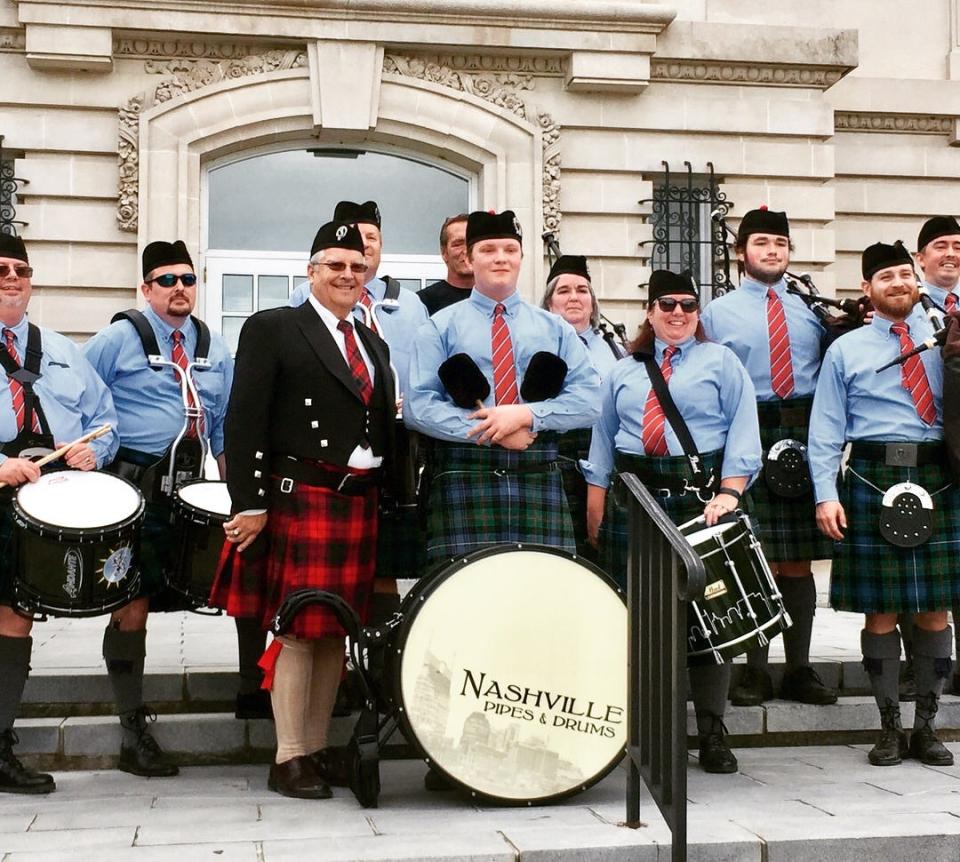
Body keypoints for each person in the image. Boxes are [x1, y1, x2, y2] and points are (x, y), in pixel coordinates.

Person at [216, 220, 396, 799]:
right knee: (297, 629)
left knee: (332, 634)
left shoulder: (371, 341)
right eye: (334, 265)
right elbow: (242, 420)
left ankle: (315, 750)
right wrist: (250, 502)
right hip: (301, 496)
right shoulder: (274, 328)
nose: (347, 275)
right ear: (311, 270)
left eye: (356, 267)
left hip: (355, 500)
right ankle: (287, 755)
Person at [583, 269, 761, 773]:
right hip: (632, 500)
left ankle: (711, 733)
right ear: (649, 312)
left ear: (698, 312)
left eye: (687, 304)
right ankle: (648, 733)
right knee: (638, 620)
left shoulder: (720, 361)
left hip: (699, 501)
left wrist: (730, 494)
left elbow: (745, 432)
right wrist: (596, 504)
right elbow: (603, 438)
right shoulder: (623, 370)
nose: (677, 313)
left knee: (709, 622)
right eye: (667, 304)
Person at [83, 240, 237, 776]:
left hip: (194, 488)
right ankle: (132, 731)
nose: (179, 289)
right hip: (135, 483)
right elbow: (80, 400)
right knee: (133, 598)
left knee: (221, 585)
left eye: (188, 279)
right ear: (146, 288)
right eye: (167, 280)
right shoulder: (116, 338)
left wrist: (232, 483)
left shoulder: (214, 347)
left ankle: (252, 691)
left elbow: (221, 423)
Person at [810, 239, 958, 767]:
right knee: (881, 610)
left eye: (903, 274)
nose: (898, 283)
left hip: (939, 474)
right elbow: (825, 430)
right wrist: (826, 494)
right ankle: (888, 727)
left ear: (915, 281)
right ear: (866, 290)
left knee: (935, 610)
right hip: (872, 476)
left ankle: (928, 726)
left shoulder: (947, 337)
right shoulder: (846, 350)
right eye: (885, 277)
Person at [406, 210, 601, 563]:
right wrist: (494, 429)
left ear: (522, 257)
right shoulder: (439, 327)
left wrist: (527, 415)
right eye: (489, 249)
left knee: (542, 600)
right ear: (469, 257)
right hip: (465, 479)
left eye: (510, 249)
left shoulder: (555, 328)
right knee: (462, 600)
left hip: (539, 476)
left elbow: (589, 399)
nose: (500, 258)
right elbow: (419, 407)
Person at [700, 207, 837, 707]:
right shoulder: (716, 313)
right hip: (746, 430)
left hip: (801, 434)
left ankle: (799, 668)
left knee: (796, 561)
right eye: (761, 242)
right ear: (742, 253)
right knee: (752, 556)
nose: (772, 250)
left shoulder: (810, 310)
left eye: (780, 242)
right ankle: (755, 672)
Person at [0, 233, 118, 793]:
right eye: (0, 268)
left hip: (45, 506)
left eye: (21, 268)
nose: (12, 277)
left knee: (16, 618)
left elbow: (106, 419)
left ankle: (0, 744)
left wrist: (96, 451)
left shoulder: (65, 351)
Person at [540, 254, 624, 557]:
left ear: (592, 302)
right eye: (563, 291)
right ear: (550, 303)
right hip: (560, 457)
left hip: (611, 457)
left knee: (609, 549)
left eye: (582, 290)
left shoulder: (614, 347)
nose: (574, 297)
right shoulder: (538, 343)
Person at [914, 216, 960, 694]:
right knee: (924, 572)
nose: (950, 253)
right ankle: (922, 669)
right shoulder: (904, 311)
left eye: (958, 245)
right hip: (928, 454)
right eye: (940, 245)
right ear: (920, 256)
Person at [417, 214, 474, 316]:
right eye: (457, 244)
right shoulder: (421, 303)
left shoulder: (497, 301)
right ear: (444, 253)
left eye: (471, 243)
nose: (466, 251)